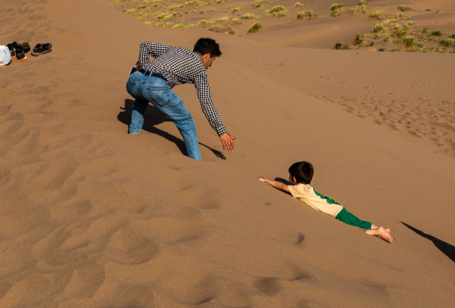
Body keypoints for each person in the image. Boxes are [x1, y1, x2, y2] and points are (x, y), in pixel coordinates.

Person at [126, 38, 236, 160]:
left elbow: (145, 45)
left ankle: (133, 135)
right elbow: (206, 102)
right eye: (212, 61)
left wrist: (143, 67)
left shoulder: (177, 50)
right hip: (155, 86)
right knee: (187, 121)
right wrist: (221, 132)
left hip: (134, 80)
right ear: (207, 56)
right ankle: (196, 162)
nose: (210, 65)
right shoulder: (200, 69)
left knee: (142, 96)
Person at [258, 161, 394, 243]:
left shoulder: (299, 189)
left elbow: (282, 186)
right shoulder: (306, 187)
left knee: (356, 229)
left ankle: (377, 231)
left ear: (293, 178)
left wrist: (266, 180)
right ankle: (380, 229)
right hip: (337, 207)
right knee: (357, 222)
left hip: (335, 212)